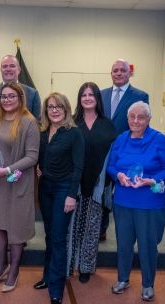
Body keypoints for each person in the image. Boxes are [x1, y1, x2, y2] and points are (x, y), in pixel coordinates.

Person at [106, 101, 165, 302]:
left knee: (147, 245)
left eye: (141, 117)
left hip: (149, 203)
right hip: (123, 200)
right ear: (127, 119)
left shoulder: (159, 140)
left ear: (149, 119)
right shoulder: (120, 139)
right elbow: (110, 165)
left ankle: (147, 284)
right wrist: (118, 175)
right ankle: (123, 279)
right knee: (124, 243)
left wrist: (150, 180)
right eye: (132, 117)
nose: (136, 121)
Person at [0, 82, 39, 293]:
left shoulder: (28, 122)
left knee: (15, 228)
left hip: (16, 183)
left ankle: (14, 272)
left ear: (20, 98)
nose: (7, 100)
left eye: (11, 96)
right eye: (3, 96)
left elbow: (32, 157)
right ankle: (1, 267)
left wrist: (6, 170)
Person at [0, 54, 41, 245]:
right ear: (1, 69)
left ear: (18, 70)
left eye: (11, 66)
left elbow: (36, 123)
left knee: (17, 204)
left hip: (20, 159)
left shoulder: (32, 93)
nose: (8, 69)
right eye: (4, 66)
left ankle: (18, 236)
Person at [34, 92, 83, 304]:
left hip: (64, 189)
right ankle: (47, 276)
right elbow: (40, 156)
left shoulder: (74, 133)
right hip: (45, 188)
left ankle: (56, 288)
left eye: (59, 106)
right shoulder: (43, 132)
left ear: (66, 109)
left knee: (58, 238)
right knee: (49, 235)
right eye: (50, 107)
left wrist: (72, 195)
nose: (54, 110)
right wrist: (39, 167)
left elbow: (78, 167)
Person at [66, 82, 117, 284]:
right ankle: (69, 265)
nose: (87, 98)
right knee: (71, 227)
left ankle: (86, 267)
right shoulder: (71, 123)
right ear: (79, 98)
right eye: (83, 94)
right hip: (73, 185)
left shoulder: (107, 124)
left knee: (92, 227)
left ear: (97, 98)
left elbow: (113, 155)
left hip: (98, 185)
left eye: (91, 94)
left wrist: (105, 180)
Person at [99, 59, 150, 242]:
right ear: (111, 73)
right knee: (102, 189)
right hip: (102, 151)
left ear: (130, 73)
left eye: (123, 70)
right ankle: (101, 227)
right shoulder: (101, 94)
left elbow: (142, 124)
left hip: (127, 151)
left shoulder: (140, 96)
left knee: (123, 188)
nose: (119, 73)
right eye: (115, 70)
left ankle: (128, 229)